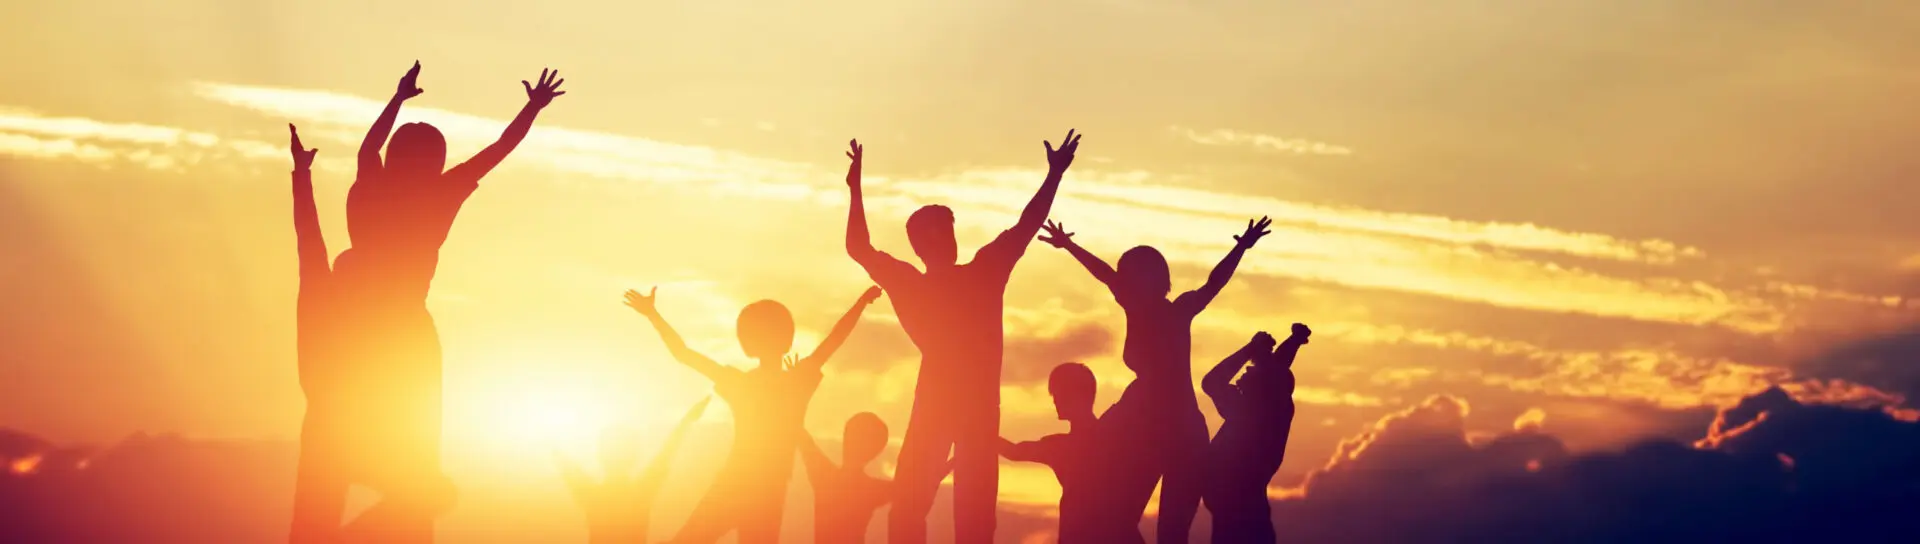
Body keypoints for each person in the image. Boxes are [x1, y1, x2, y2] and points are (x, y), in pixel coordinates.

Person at [327, 61, 568, 542]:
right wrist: (531, 109)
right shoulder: (442, 192)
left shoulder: (371, 181)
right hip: (406, 332)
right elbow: (497, 151)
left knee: (353, 437)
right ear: (434, 161)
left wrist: (397, 100)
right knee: (410, 450)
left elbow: (369, 146)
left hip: (353, 327)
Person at [842, 132, 1083, 544]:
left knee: (948, 515)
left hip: (961, 411)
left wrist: (856, 189)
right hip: (952, 408)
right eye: (939, 233)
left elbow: (859, 247)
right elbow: (859, 247)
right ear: (925, 245)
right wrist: (1054, 175)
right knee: (931, 511)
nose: (946, 239)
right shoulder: (967, 276)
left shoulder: (964, 276)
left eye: (947, 231)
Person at [1035, 216, 1272, 543]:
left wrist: (1241, 248)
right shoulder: (1133, 306)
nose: (1122, 281)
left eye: (1129, 275)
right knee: (1118, 519)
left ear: (1150, 279)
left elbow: (1213, 283)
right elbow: (1104, 274)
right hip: (1146, 429)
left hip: (1184, 436)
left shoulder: (1180, 310)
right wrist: (1070, 245)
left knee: (1171, 533)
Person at [625, 286, 883, 544]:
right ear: (786, 338)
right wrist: (861, 303)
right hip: (767, 492)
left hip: (737, 485)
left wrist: (653, 315)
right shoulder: (797, 381)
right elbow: (833, 341)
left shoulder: (743, 383)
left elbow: (684, 354)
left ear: (747, 340)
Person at [286, 124, 351, 544]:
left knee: (310, 522)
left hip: (327, 420)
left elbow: (308, 234)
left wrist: (302, 174)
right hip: (339, 422)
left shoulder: (316, 292)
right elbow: (309, 236)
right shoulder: (327, 303)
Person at [998, 363, 1142, 544]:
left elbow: (1014, 452)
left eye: (1058, 393)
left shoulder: (1063, 447)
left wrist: (978, 433)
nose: (1055, 400)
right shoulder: (1109, 437)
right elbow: (1015, 452)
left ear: (1076, 395)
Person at [1201, 325, 1310, 544]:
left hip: (1237, 515)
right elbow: (1277, 368)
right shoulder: (1263, 406)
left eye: (1252, 371)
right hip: (1239, 511)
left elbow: (1211, 382)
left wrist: (1251, 349)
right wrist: (1288, 342)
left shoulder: (1252, 410)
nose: (1245, 372)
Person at [555, 398, 712, 544]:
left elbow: (561, 459)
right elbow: (667, 453)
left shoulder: (591, 493)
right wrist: (686, 421)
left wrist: (686, 421)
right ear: (634, 457)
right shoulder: (641, 492)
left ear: (600, 455)